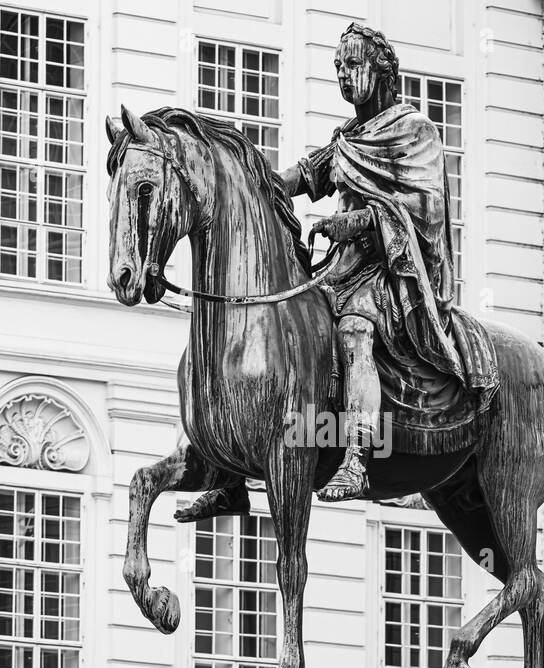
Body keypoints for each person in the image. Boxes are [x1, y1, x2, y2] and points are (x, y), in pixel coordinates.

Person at [176, 22, 495, 520]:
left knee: (354, 330)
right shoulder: (348, 138)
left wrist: (360, 220)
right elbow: (308, 173)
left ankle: (358, 457)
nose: (344, 77)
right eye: (338, 68)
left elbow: (426, 208)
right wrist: (255, 186)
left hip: (390, 273)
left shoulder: (414, 132)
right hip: (339, 270)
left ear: (380, 71)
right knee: (277, 336)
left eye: (353, 66)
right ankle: (229, 471)